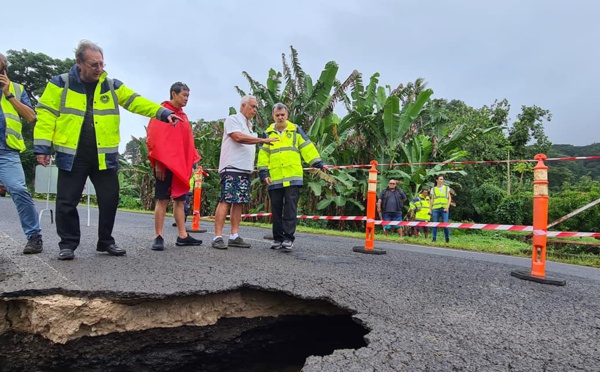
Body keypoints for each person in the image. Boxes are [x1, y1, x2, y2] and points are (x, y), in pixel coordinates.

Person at [34, 40, 182, 260]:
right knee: (66, 201)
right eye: (94, 65)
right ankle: (68, 244)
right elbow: (45, 116)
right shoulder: (60, 83)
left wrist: (162, 113)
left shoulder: (111, 85)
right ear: (79, 63)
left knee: (110, 198)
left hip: (103, 155)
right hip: (72, 155)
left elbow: (135, 101)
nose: (99, 69)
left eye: (102, 64)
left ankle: (105, 241)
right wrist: (42, 147)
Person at [212, 95, 278, 250]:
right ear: (243, 106)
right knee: (226, 200)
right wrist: (263, 141)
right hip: (231, 167)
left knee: (239, 202)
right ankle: (217, 237)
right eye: (252, 106)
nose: (255, 110)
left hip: (245, 169)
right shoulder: (233, 119)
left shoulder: (250, 125)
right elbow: (237, 137)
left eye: (256, 107)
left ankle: (234, 236)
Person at [257, 102, 325, 252]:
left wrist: (318, 162)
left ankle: (288, 238)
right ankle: (277, 239)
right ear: (273, 116)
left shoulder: (296, 131)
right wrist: (263, 172)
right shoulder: (267, 134)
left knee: (290, 209)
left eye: (283, 115)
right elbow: (263, 155)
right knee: (276, 209)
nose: (280, 117)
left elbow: (307, 148)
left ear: (287, 115)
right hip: (274, 178)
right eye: (277, 115)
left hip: (293, 177)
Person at [147, 82, 201, 251]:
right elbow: (154, 139)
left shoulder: (183, 117)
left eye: (188, 96)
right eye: (183, 95)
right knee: (162, 200)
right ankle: (158, 236)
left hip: (181, 165)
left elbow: (188, 142)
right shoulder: (162, 112)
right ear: (173, 94)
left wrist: (191, 163)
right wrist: (158, 164)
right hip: (164, 165)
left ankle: (182, 235)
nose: (186, 99)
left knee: (181, 200)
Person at [0, 52, 43, 254]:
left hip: (6, 151)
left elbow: (31, 116)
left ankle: (34, 236)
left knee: (19, 190)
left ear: (4, 70)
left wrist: (9, 95)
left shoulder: (16, 89)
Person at [431, 176, 451, 243]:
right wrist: (430, 209)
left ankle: (447, 239)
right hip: (435, 209)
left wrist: (447, 207)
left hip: (444, 209)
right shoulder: (433, 189)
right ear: (437, 180)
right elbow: (432, 200)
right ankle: (434, 239)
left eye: (442, 179)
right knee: (435, 225)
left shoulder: (446, 188)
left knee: (445, 225)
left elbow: (449, 199)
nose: (442, 180)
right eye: (440, 179)